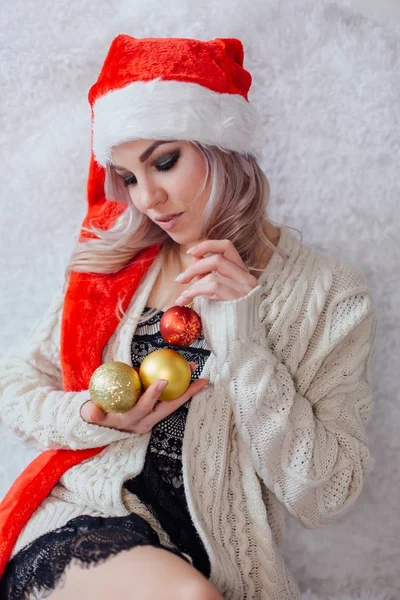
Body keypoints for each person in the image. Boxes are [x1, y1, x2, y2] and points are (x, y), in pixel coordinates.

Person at [0, 34, 377, 600]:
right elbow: (14, 386)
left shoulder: (327, 292)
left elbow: (325, 494)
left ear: (222, 146)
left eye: (164, 162)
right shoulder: (117, 266)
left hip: (226, 561)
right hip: (86, 519)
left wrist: (244, 338)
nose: (147, 198)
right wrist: (93, 414)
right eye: (127, 177)